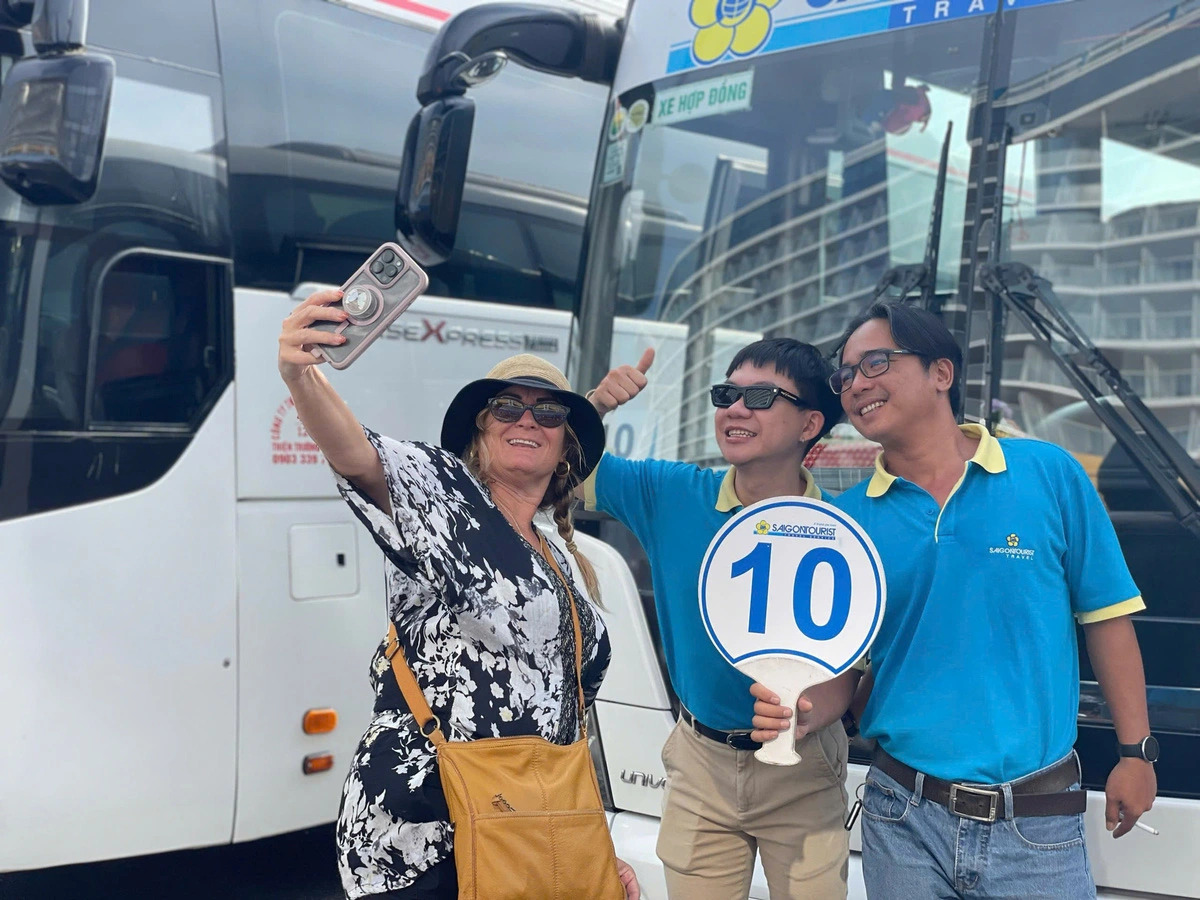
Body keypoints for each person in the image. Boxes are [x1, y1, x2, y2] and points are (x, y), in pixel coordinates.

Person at [752, 301, 1157, 899]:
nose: (856, 384)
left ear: (941, 373)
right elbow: (852, 666)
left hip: (1037, 821)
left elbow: (1108, 620)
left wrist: (1136, 752)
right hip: (901, 816)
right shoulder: (846, 522)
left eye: (876, 363)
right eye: (846, 376)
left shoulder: (1047, 473)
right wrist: (807, 710)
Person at [277, 288, 641, 900]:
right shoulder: (446, 500)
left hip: (530, 830)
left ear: (566, 447)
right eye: (506, 406)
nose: (527, 419)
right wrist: (300, 374)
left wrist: (591, 838)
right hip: (421, 835)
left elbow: (569, 724)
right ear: (479, 432)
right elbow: (360, 457)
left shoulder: (562, 559)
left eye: (549, 413)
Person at [584, 338, 856, 899]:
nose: (734, 408)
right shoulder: (670, 492)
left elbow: (860, 662)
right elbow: (544, 474)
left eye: (760, 395)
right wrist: (593, 410)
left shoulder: (845, 529)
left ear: (810, 424)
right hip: (700, 761)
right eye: (726, 393)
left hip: (803, 769)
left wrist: (817, 709)